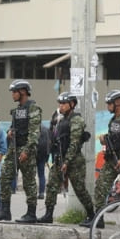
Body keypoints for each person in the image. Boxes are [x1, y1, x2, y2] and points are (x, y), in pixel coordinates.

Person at [80, 90, 120, 227]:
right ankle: (98, 219)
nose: (108, 106)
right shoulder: (114, 120)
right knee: (100, 187)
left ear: (118, 103)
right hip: (112, 160)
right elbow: (114, 138)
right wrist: (104, 139)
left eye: (109, 104)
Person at [37, 92, 94, 224]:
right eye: (60, 103)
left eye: (63, 103)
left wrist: (67, 161)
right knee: (51, 186)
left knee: (80, 189)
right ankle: (48, 214)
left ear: (72, 104)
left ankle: (93, 216)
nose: (61, 106)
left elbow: (74, 143)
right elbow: (53, 137)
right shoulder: (59, 119)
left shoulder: (76, 120)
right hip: (58, 158)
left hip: (74, 161)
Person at [0, 80, 41, 223]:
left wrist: (26, 151)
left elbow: (34, 133)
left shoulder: (33, 108)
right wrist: (10, 132)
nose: (12, 95)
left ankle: (31, 214)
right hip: (13, 149)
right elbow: (14, 127)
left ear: (23, 92)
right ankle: (5, 211)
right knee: (4, 179)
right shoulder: (18, 109)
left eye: (14, 92)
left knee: (29, 182)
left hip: (26, 150)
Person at [36, 124, 50, 200]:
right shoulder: (46, 129)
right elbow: (49, 144)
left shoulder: (34, 127)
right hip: (44, 154)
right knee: (41, 174)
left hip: (35, 154)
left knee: (30, 175)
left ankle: (32, 193)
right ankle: (41, 192)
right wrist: (47, 158)